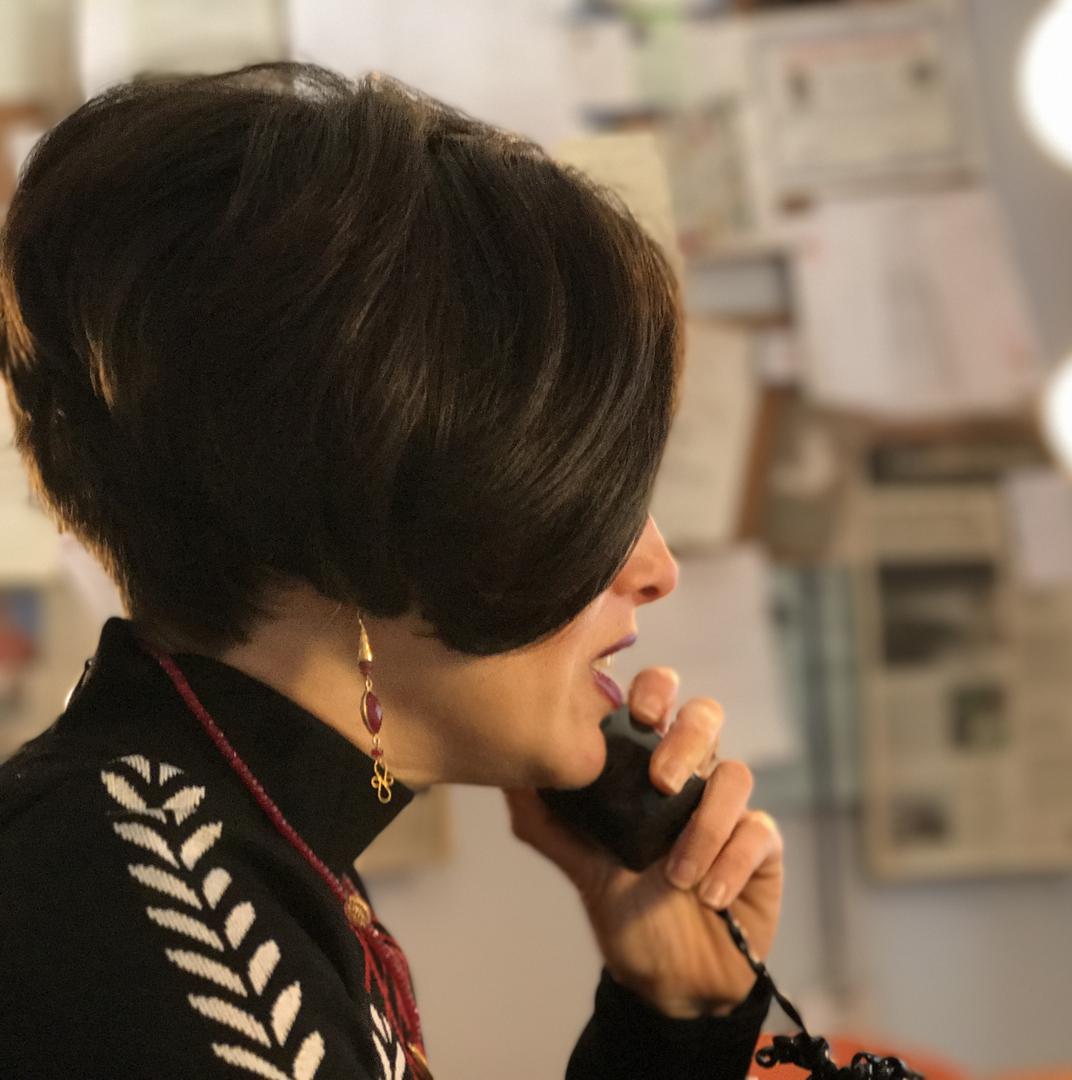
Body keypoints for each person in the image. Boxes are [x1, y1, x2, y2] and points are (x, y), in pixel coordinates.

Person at [0, 63, 783, 1079]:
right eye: (594, 494)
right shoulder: (116, 921)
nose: (654, 566)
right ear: (371, 518)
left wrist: (674, 1012)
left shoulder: (209, 850)